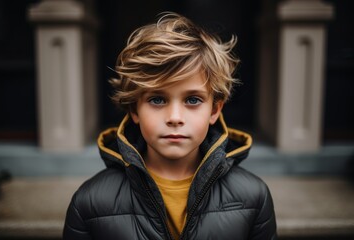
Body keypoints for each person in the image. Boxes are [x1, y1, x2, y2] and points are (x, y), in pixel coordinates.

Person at [63, 12, 277, 240]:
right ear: (134, 110)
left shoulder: (254, 197)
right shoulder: (89, 203)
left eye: (193, 100)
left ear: (214, 110)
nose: (175, 117)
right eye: (157, 99)